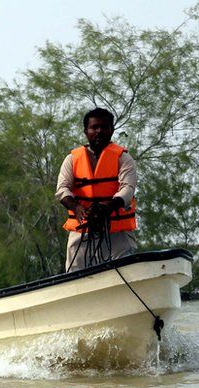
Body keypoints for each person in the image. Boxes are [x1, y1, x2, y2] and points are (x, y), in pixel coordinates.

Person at [56, 107, 138, 272]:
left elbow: (128, 188)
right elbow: (62, 189)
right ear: (86, 131)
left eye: (104, 127)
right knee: (75, 275)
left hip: (117, 232)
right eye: (94, 127)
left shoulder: (124, 158)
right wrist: (76, 207)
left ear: (112, 130)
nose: (99, 131)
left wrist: (108, 206)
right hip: (82, 228)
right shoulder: (72, 159)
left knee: (125, 271)